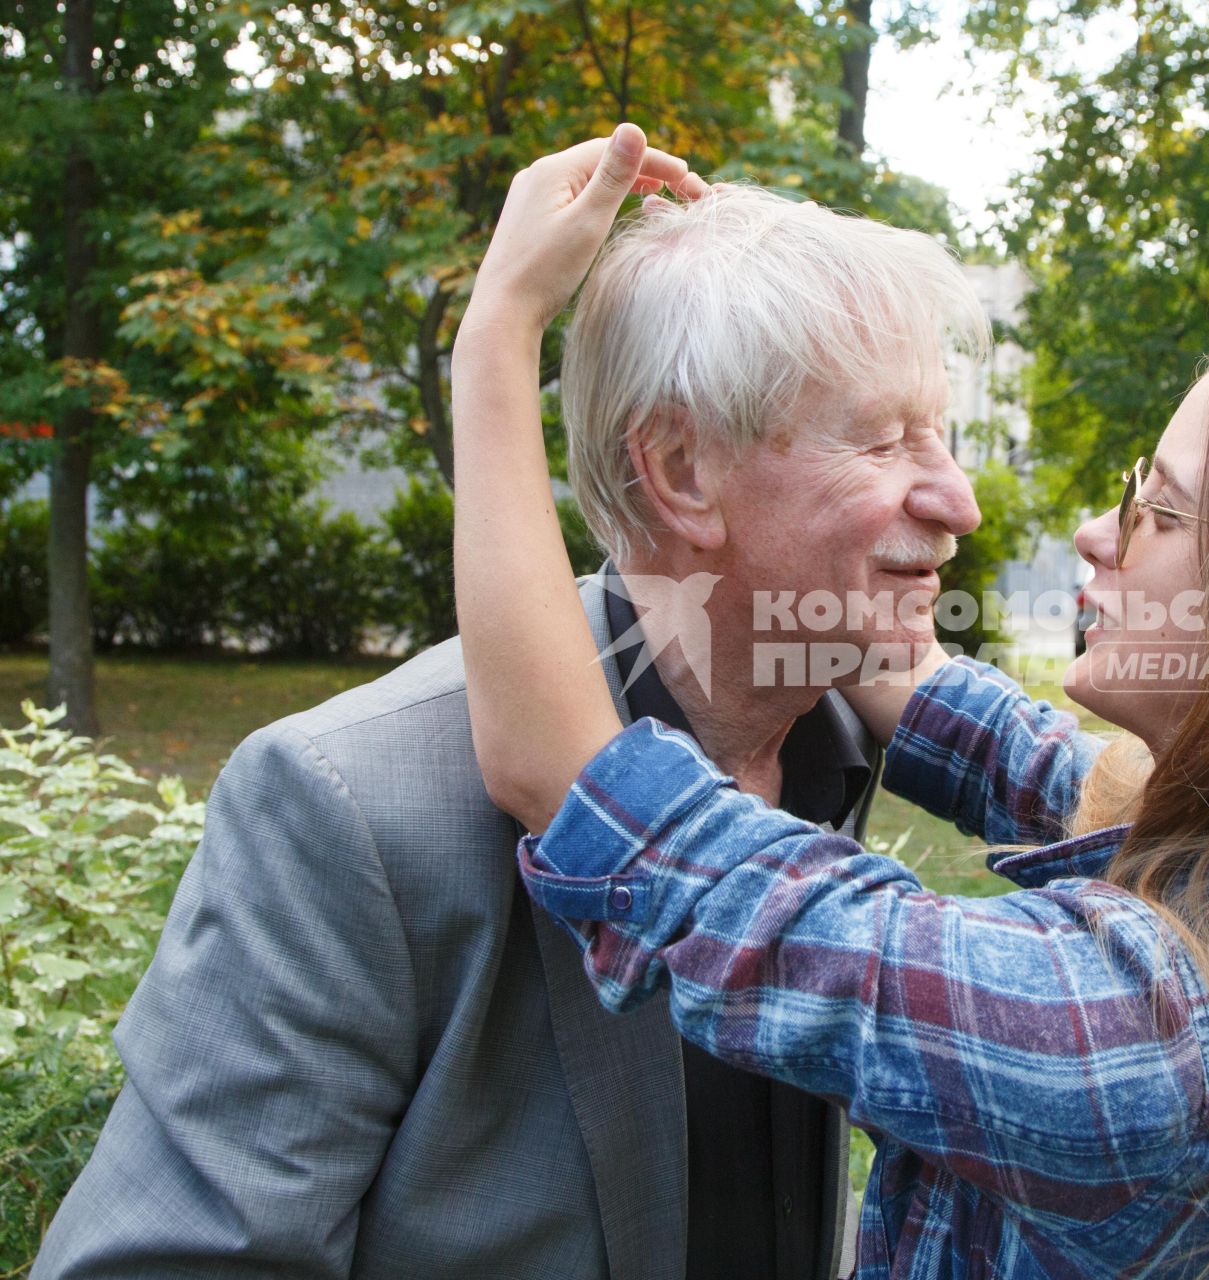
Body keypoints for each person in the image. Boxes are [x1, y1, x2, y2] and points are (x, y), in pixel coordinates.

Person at [455, 128, 1209, 1279]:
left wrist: (501, 333)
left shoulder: (1136, 1050)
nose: (1093, 533)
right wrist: (838, 556)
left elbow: (578, 784)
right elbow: (1008, 745)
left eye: (1157, 510)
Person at [33, 133, 987, 1280]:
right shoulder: (349, 805)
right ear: (681, 472)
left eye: (943, 434)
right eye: (883, 439)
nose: (959, 500)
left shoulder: (833, 752)